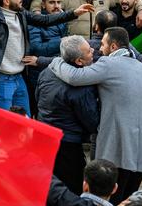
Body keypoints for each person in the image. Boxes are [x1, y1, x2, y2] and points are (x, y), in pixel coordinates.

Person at [48, 27, 142, 203]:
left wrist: (56, 62)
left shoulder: (108, 64)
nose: (99, 49)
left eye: (103, 44)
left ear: (113, 47)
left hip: (117, 151)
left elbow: (75, 77)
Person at [0, 0, 89, 116]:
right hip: (1, 80)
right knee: (4, 125)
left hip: (19, 78)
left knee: (25, 120)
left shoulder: (21, 13)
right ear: (6, 1)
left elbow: (45, 20)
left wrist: (73, 13)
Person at [36, 35, 99, 194]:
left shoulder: (47, 72)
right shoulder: (81, 87)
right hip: (68, 145)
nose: (93, 51)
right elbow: (91, 121)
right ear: (79, 61)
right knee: (70, 190)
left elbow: (37, 97)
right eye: (88, 51)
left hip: (45, 138)